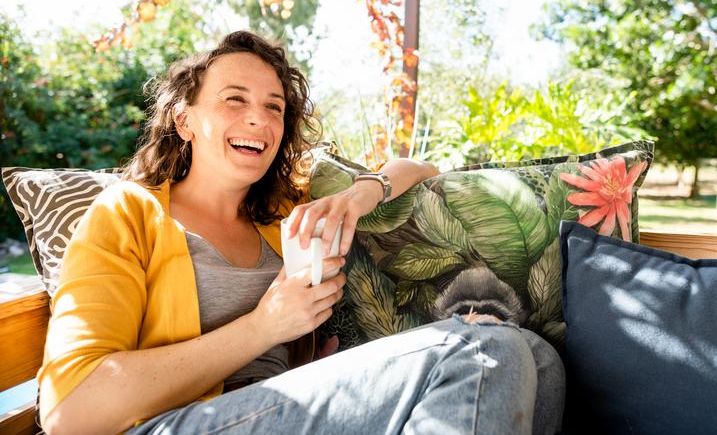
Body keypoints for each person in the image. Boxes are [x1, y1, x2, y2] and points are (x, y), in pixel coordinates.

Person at [38, 31, 565, 434]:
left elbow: (417, 167)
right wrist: (262, 329)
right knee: (477, 350)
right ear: (184, 120)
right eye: (234, 99)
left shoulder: (281, 210)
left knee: (535, 356)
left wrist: (359, 195)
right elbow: (72, 409)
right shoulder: (125, 214)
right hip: (177, 424)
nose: (259, 120)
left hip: (280, 408)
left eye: (274, 107)